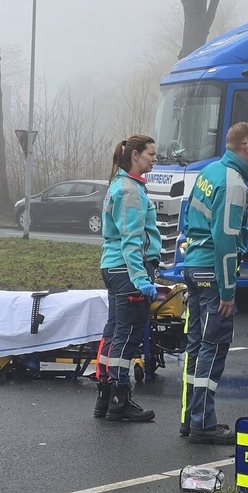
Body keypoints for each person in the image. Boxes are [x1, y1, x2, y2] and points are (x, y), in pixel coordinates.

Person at [180, 122, 248, 444]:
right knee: (213, 349)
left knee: (196, 346)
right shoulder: (233, 185)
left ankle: (190, 418)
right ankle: (203, 424)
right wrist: (228, 291)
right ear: (245, 147)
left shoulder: (210, 172)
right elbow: (226, 240)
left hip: (194, 267)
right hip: (213, 273)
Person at [94, 135, 162, 423]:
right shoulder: (130, 191)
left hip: (114, 268)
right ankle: (121, 399)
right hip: (127, 270)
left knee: (114, 333)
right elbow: (132, 240)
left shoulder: (119, 186)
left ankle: (106, 398)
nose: (155, 159)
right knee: (128, 335)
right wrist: (140, 278)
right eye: (150, 154)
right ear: (135, 155)